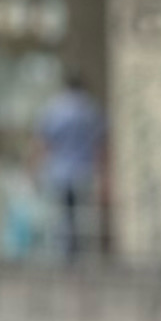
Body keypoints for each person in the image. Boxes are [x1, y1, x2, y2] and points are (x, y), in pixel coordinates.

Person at [34, 76, 105, 261]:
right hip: (83, 171)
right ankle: (78, 256)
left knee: (62, 216)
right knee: (81, 216)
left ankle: (64, 256)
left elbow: (43, 142)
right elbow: (100, 144)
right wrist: (104, 174)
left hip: (59, 170)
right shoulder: (91, 109)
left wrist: (35, 168)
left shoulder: (55, 108)